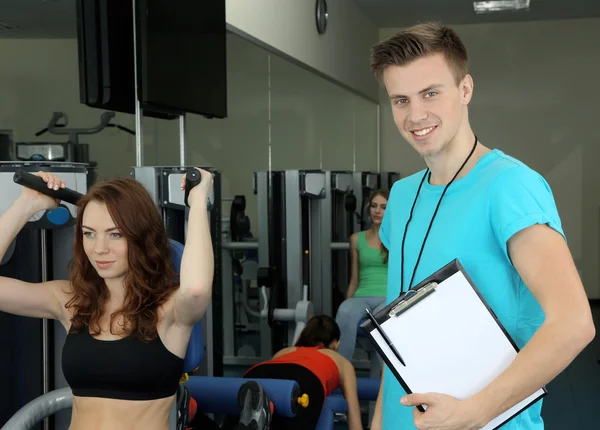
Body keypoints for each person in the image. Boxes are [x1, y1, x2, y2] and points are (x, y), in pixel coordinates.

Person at [368, 22, 595, 430]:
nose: (416, 115)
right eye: (400, 100)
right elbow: (398, 331)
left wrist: (471, 414)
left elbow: (574, 323)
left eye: (430, 93)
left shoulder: (509, 186)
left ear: (466, 90)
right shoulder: (401, 197)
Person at [0, 170, 264, 430]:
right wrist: (27, 205)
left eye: (115, 234)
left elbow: (196, 288)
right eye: (89, 233)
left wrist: (197, 201)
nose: (99, 248)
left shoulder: (169, 310)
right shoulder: (72, 301)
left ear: (142, 238)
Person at [197, 315, 363, 430]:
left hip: (257, 376)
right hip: (304, 381)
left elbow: (278, 372)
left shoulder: (285, 351)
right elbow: (355, 422)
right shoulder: (341, 361)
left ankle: (193, 414)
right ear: (336, 343)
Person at [335, 189, 389, 360]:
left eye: (383, 207)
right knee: (345, 311)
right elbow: (354, 279)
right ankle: (340, 370)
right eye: (374, 206)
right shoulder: (356, 239)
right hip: (361, 296)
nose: (377, 211)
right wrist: (348, 300)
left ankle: (384, 380)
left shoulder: (397, 239)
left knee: (382, 321)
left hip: (387, 297)